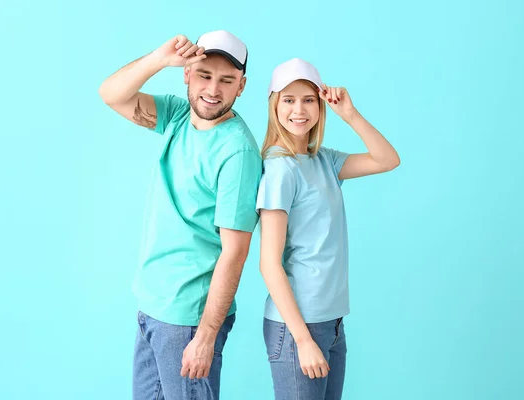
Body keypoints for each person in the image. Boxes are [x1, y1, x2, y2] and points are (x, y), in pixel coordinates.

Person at [99, 30, 262, 400]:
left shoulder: (238, 153)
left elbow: (235, 252)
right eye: (205, 74)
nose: (213, 89)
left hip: (188, 318)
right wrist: (159, 58)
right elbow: (111, 94)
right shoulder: (176, 116)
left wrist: (205, 337)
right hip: (153, 305)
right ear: (187, 73)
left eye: (226, 80)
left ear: (242, 86)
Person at [256, 58, 400, 400]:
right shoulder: (280, 170)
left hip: (331, 322)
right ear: (275, 105)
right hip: (298, 328)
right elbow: (269, 264)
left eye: (308, 99)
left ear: (320, 105)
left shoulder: (324, 160)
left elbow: (387, 159)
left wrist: (349, 114)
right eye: (288, 100)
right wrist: (303, 340)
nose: (299, 109)